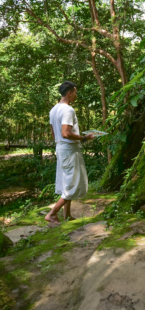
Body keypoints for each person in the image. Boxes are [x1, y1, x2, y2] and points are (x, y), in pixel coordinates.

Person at [45, 81, 95, 225]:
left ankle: (67, 216)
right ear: (70, 93)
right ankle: (52, 214)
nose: (76, 96)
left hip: (61, 148)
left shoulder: (53, 110)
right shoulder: (68, 110)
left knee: (67, 183)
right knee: (74, 183)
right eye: (75, 92)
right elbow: (66, 133)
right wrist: (84, 138)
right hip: (69, 150)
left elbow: (55, 135)